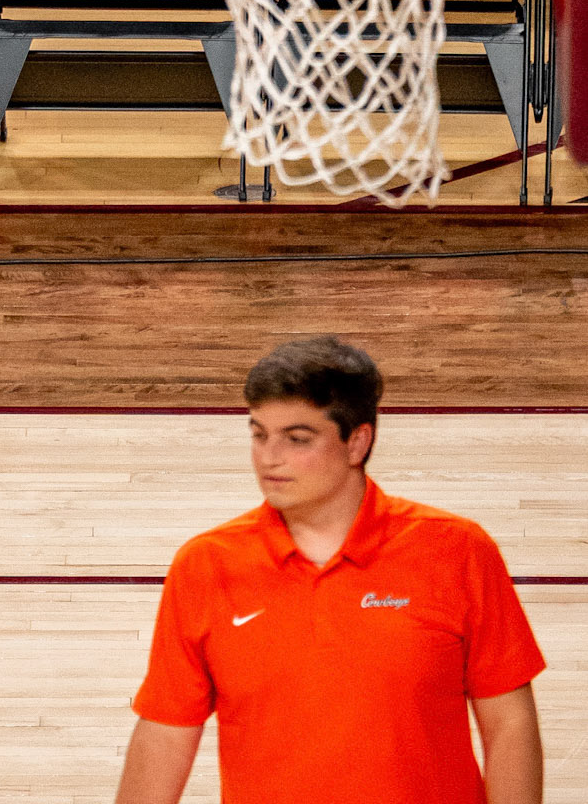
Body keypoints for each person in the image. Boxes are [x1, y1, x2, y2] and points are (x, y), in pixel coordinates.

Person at [115, 335, 544, 804]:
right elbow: (166, 733)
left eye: (297, 438)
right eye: (258, 434)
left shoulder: (457, 549)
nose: (268, 456)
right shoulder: (206, 564)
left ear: (357, 441)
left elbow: (509, 723)